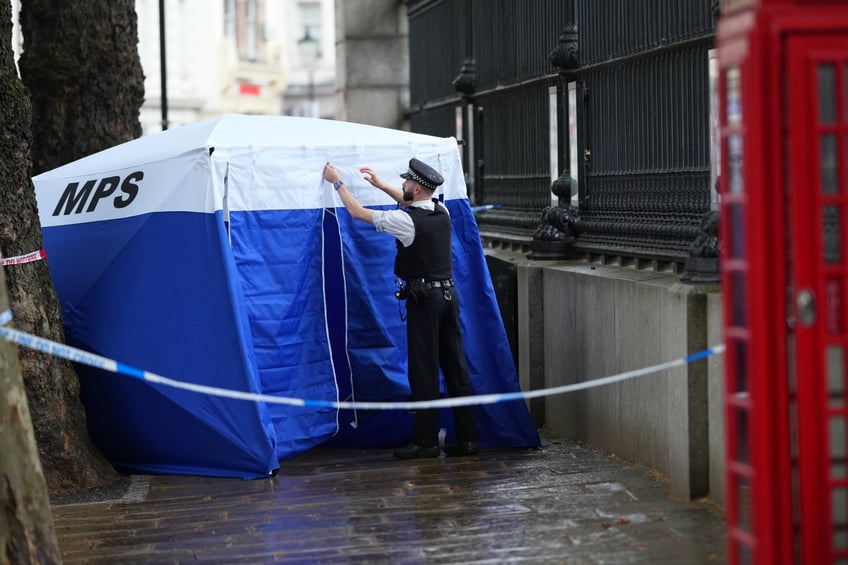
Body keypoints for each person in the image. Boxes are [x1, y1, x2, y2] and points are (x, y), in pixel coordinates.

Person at [322, 158, 479, 460]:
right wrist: (380, 185)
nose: (403, 186)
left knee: (423, 371)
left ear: (416, 188)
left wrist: (337, 182)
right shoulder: (441, 210)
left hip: (425, 302)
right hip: (449, 297)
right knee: (456, 368)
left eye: (406, 183)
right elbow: (409, 203)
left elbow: (357, 213)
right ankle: (468, 438)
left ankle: (426, 442)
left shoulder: (406, 223)